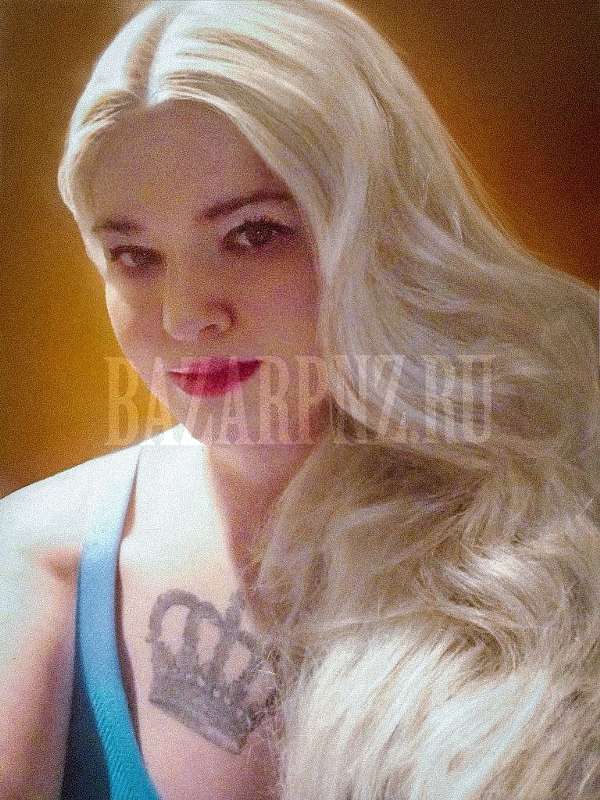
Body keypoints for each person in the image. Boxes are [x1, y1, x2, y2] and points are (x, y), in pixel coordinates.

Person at [1, 0, 598, 798]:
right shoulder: (34, 561)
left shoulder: (558, 513)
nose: (185, 316)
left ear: (381, 232)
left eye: (253, 234)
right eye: (135, 255)